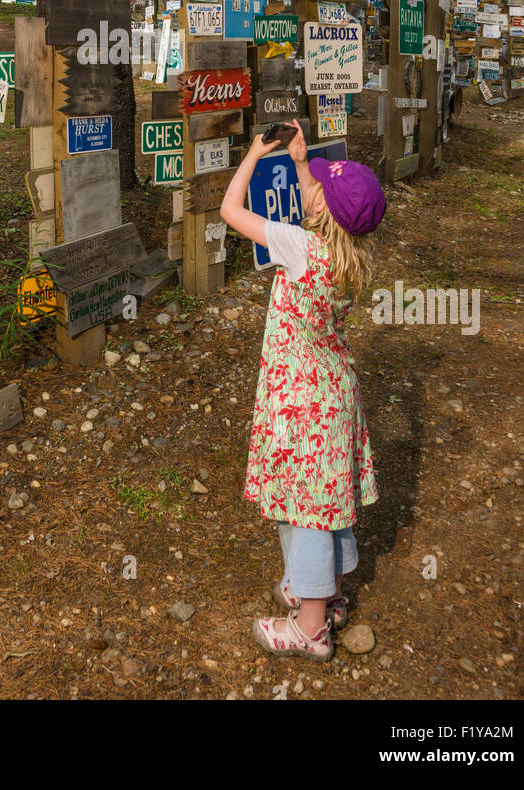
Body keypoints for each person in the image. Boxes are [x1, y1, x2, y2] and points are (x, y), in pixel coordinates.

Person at [219, 123, 387, 663]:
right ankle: (325, 593)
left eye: (314, 184)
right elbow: (324, 207)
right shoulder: (351, 256)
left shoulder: (298, 247)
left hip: (300, 399)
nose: (308, 184)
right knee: (326, 500)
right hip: (334, 392)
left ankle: (310, 627)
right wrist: (299, 164)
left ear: (319, 210)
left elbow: (230, 210)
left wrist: (254, 153)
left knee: (304, 511)